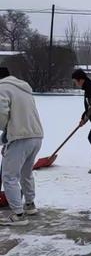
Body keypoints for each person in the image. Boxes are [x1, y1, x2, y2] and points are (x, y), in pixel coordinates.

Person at [0, 68, 43, 226]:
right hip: (36, 136)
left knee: (9, 176)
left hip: (20, 137)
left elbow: (1, 114)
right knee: (26, 172)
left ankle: (18, 215)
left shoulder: (2, 87)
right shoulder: (24, 88)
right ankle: (30, 205)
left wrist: (6, 131)